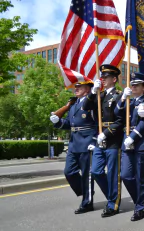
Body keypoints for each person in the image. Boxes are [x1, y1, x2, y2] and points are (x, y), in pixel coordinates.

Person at [114, 72, 144, 221]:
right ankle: (139, 199)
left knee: (141, 178)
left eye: (137, 85)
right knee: (125, 175)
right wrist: (123, 98)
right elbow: (116, 114)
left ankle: (140, 207)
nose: (133, 87)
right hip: (127, 142)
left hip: (143, 142)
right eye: (132, 84)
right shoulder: (128, 102)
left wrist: (133, 137)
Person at [49, 81, 96, 214]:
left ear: (87, 90)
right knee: (69, 172)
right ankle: (86, 192)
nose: (76, 89)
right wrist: (58, 122)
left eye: (79, 87)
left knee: (87, 175)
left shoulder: (91, 104)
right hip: (74, 143)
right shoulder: (73, 104)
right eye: (76, 87)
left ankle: (87, 203)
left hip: (87, 142)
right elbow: (70, 124)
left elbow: (98, 123)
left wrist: (94, 140)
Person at [83, 65, 123, 218]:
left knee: (113, 174)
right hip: (99, 139)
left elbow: (120, 120)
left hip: (112, 139)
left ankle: (113, 204)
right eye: (102, 77)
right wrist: (93, 92)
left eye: (106, 78)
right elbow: (86, 107)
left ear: (113, 79)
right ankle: (111, 196)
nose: (103, 80)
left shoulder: (119, 96)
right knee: (96, 171)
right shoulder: (99, 95)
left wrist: (106, 133)